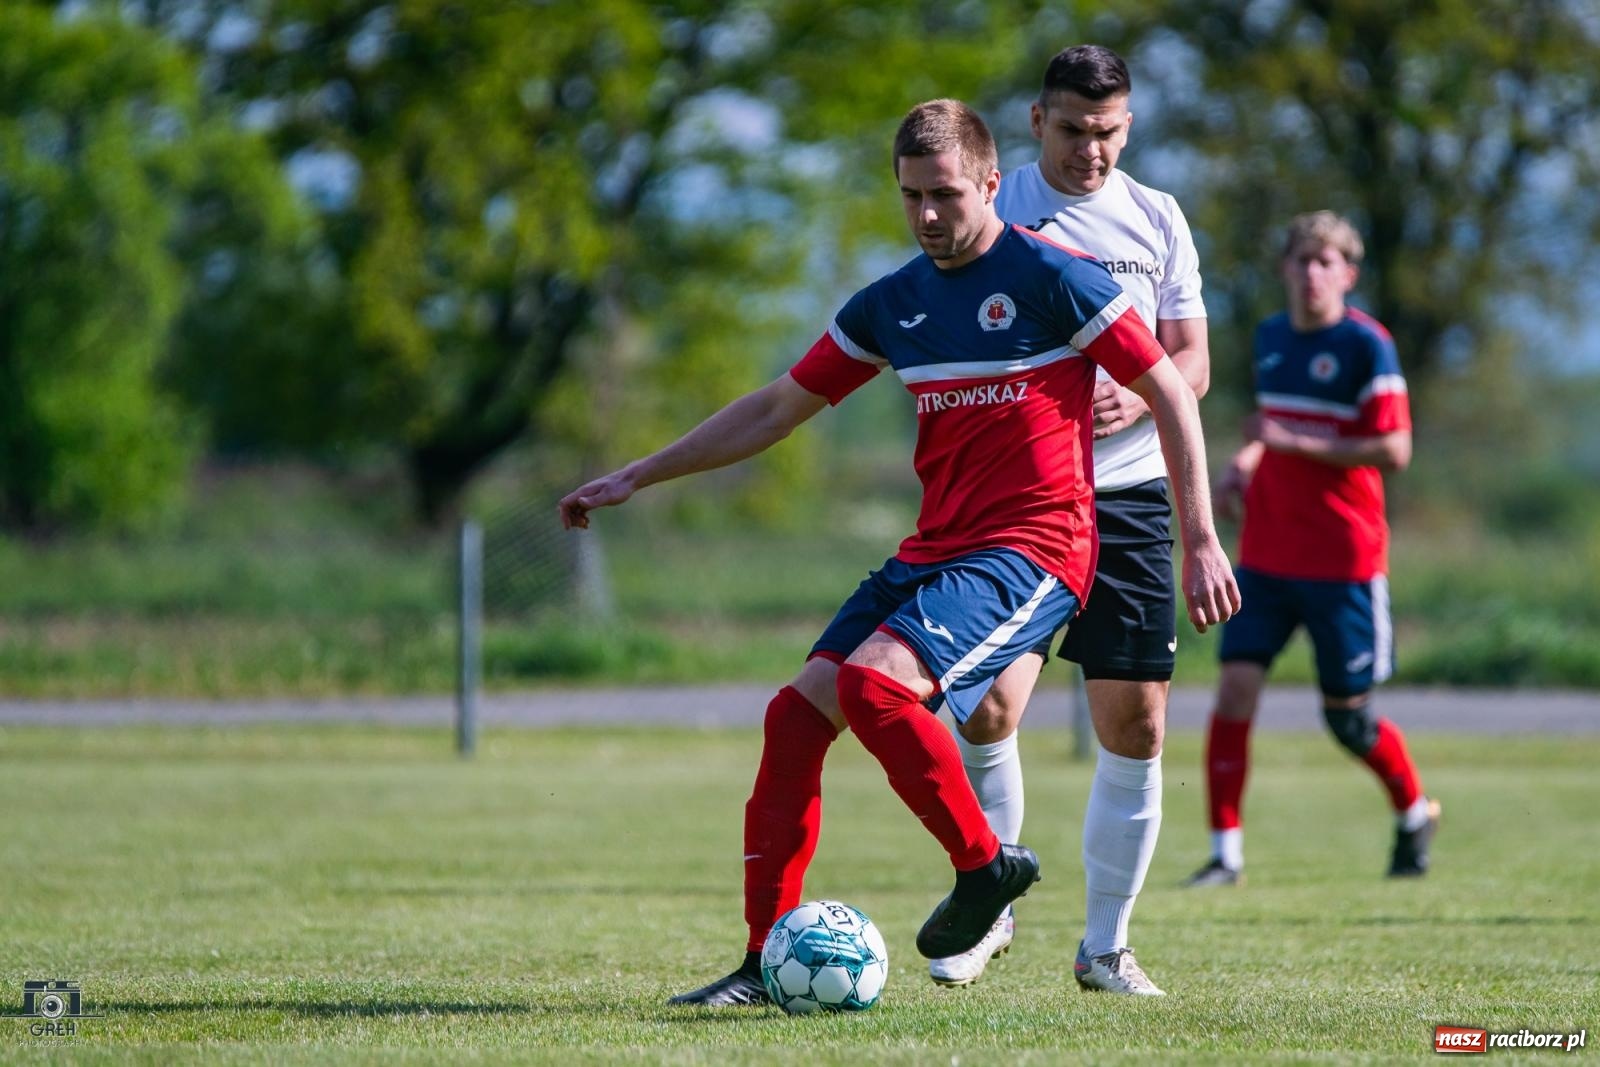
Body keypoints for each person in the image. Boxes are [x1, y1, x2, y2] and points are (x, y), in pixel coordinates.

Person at [559, 98, 1240, 1008]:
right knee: (794, 717)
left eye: (945, 195)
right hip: (937, 550)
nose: (926, 216)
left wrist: (1199, 535)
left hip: (1038, 545)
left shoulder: (1053, 276)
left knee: (876, 686)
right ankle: (764, 963)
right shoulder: (893, 302)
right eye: (911, 196)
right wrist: (638, 474)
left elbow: (1168, 383)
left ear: (992, 184)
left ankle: (987, 870)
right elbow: (774, 408)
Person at [925, 45, 1211, 996]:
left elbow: (1191, 367)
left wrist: (1137, 402)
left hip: (1128, 502)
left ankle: (1104, 946)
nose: (1094, 150)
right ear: (1037, 119)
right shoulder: (994, 214)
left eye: (1111, 131)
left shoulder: (1158, 217)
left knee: (1135, 725)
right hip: (1023, 503)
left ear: (1128, 125)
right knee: (993, 703)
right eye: (1076, 130)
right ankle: (989, 909)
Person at [1184, 210, 1439, 889]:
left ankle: (1414, 811)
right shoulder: (1271, 337)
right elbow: (1270, 429)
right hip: (1266, 555)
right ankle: (1225, 855)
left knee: (1347, 720)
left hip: (1344, 561)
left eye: (1325, 261)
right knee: (1235, 688)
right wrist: (1244, 463)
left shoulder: (1366, 346)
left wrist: (1292, 441)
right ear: (1284, 269)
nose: (1311, 272)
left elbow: (1395, 448)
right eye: (1301, 259)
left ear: (1348, 275)